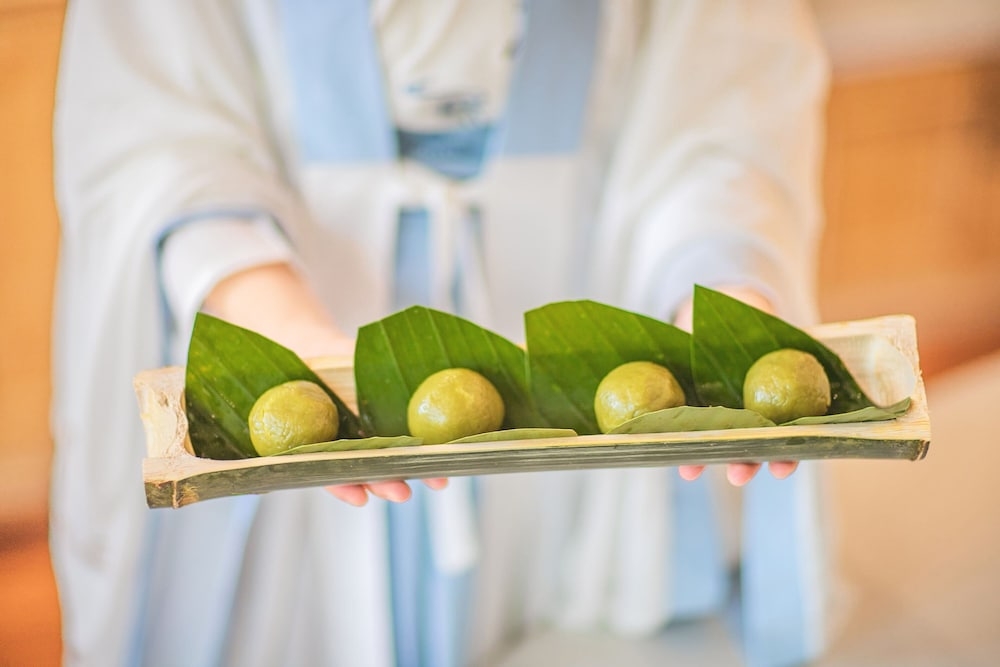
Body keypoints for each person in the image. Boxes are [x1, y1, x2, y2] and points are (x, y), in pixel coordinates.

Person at [51, 1, 832, 665]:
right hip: (292, 291)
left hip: (561, 314)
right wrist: (285, 332)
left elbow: (723, 91)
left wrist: (719, 294)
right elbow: (150, 123)